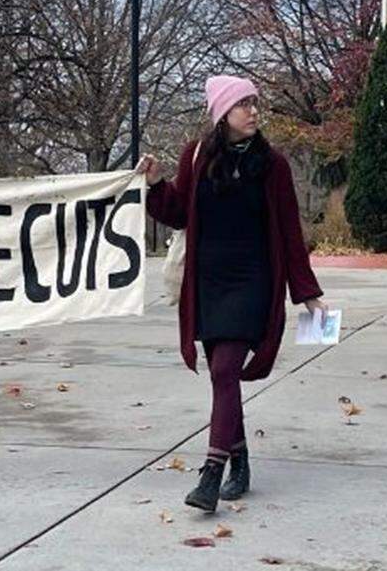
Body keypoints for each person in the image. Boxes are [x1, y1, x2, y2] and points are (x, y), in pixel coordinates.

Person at [138, 75, 327, 512]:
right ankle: (240, 461)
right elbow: (178, 211)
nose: (254, 111)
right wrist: (153, 184)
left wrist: (308, 294)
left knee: (225, 368)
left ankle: (211, 474)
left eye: (255, 103)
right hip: (208, 282)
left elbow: (290, 234)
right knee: (222, 376)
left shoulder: (273, 165)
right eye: (244, 104)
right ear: (222, 113)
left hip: (253, 281)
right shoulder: (198, 156)